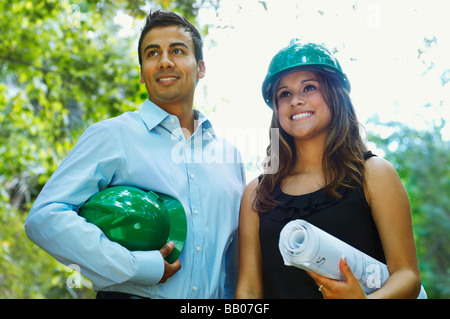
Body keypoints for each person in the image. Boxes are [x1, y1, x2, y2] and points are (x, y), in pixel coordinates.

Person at [25, 10, 245, 299]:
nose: (165, 61)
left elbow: (236, 263)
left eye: (177, 50)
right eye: (152, 53)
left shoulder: (230, 158)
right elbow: (45, 217)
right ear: (142, 73)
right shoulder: (113, 136)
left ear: (200, 67)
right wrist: (137, 267)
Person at [236, 40, 422, 299]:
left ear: (334, 95)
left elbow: (408, 277)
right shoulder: (256, 194)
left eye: (309, 87)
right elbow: (248, 290)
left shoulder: (374, 174)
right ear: (276, 109)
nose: (296, 101)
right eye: (284, 94)